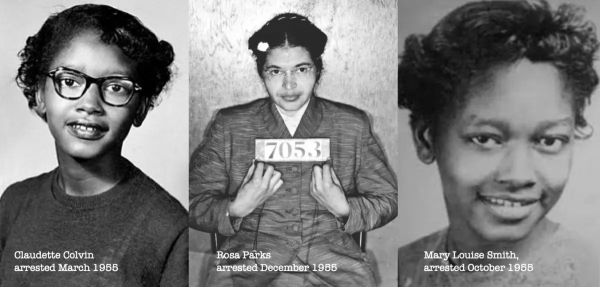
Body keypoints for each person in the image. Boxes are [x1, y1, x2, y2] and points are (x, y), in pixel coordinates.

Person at [397, 0, 599, 286]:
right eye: (486, 139)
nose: (518, 176)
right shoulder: (401, 268)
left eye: (549, 140)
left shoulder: (590, 274)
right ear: (426, 139)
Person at [189, 12, 397, 287]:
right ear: (262, 74)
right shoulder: (230, 126)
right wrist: (236, 208)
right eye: (276, 71)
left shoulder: (352, 125)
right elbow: (192, 202)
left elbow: (388, 199)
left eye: (301, 69)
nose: (289, 85)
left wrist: (345, 208)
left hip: (333, 257)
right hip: (249, 256)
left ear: (318, 70)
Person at [0, 4, 188, 286]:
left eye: (115, 87)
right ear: (40, 94)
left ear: (141, 108)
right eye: (70, 80)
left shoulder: (171, 229)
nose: (89, 103)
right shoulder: (13, 203)